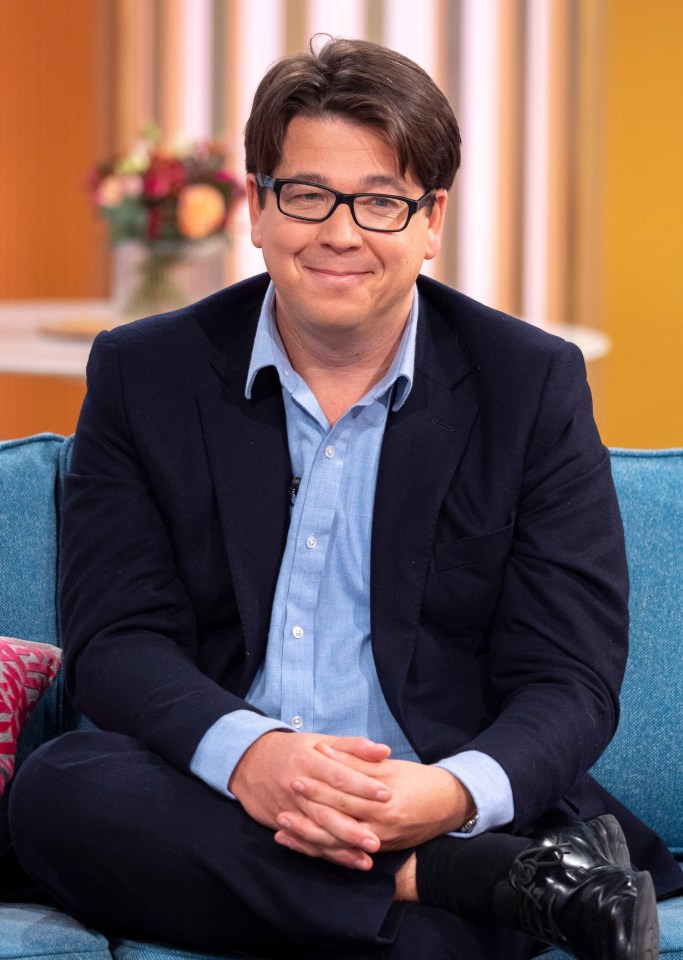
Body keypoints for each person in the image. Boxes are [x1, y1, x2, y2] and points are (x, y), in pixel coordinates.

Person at [9, 36, 682, 960]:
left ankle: (458, 869)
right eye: (306, 194)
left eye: (380, 201)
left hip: (445, 791)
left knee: (425, 947)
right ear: (257, 205)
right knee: (60, 789)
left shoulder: (529, 384)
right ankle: (476, 883)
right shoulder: (145, 372)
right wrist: (252, 757)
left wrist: (443, 800)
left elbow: (569, 678)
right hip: (226, 791)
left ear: (430, 218)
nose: (339, 231)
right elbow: (116, 641)